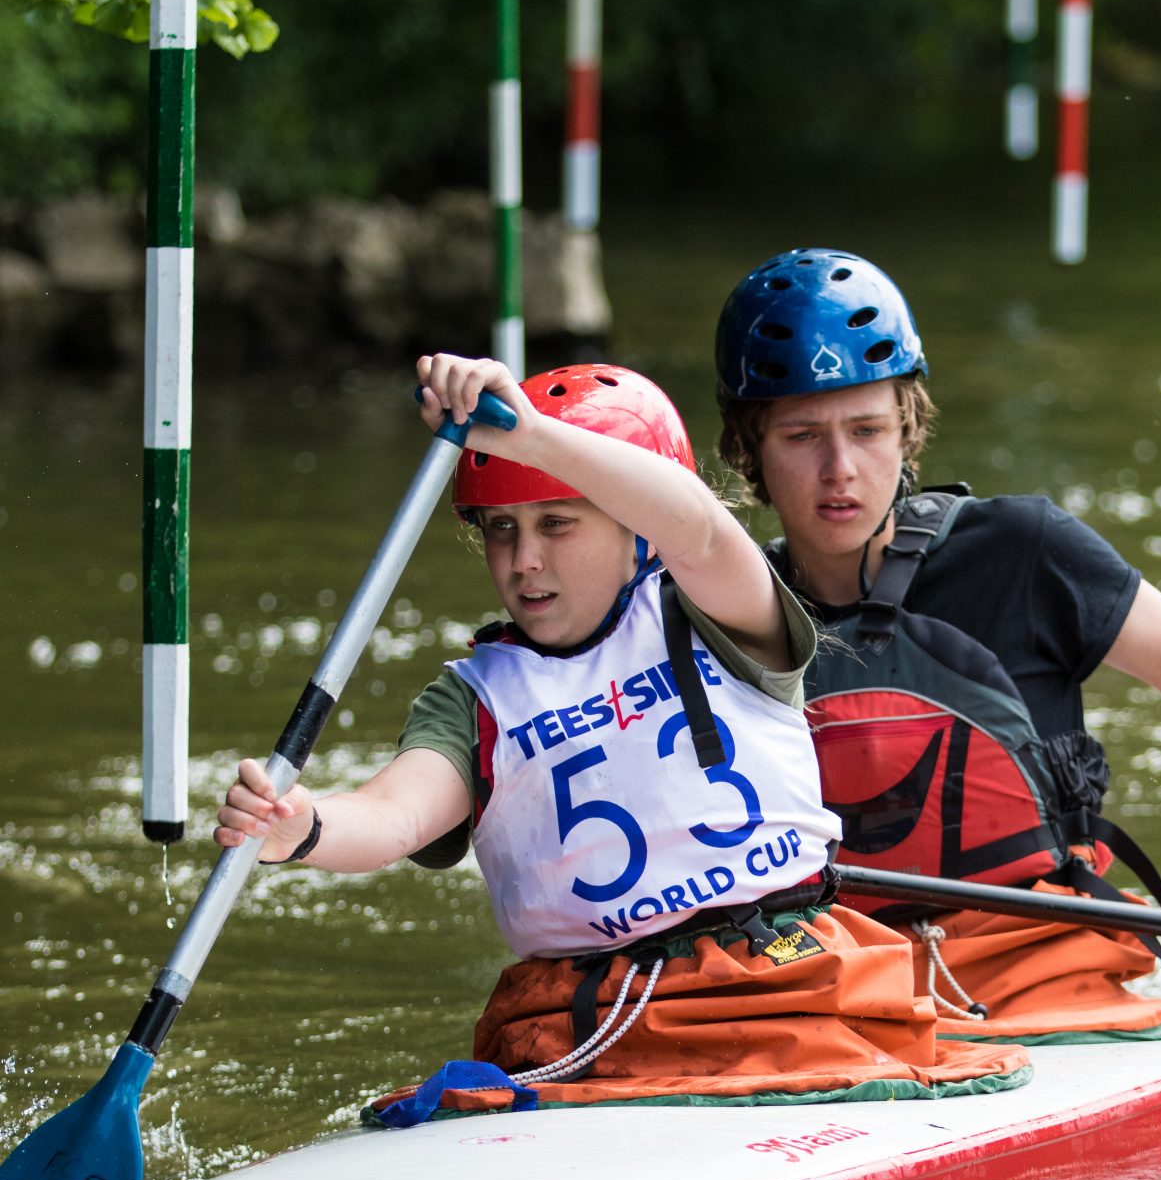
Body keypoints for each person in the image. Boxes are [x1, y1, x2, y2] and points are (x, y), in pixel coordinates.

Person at [215, 353, 1027, 1109]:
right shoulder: (474, 697)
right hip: (590, 1012)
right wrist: (302, 827)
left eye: (556, 524)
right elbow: (392, 816)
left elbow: (699, 526)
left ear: (634, 528)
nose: (522, 559)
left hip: (783, 976)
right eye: (502, 529)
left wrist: (528, 434)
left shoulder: (717, 606)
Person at [713, 247, 1161, 1045]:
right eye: (801, 436)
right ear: (748, 449)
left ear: (907, 426)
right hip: (837, 983)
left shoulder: (1022, 549)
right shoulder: (720, 609)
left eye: (867, 430)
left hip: (1042, 962)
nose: (840, 470)